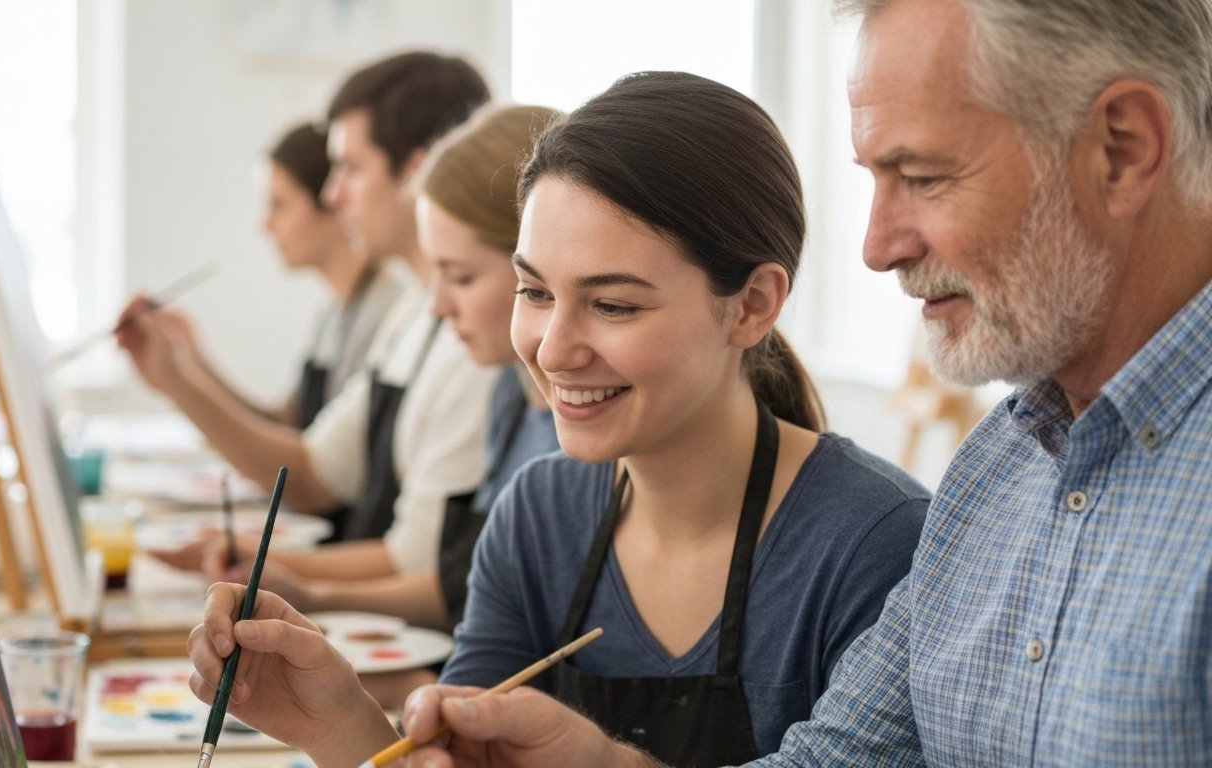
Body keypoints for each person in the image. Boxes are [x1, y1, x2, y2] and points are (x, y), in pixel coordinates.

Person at [391, 0, 1212, 765]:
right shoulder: (993, 478)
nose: (877, 247)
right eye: (873, 180)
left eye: (922, 176)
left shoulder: (890, 523)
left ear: (1123, 148)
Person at [186, 71, 930, 767]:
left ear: (754, 305)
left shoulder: (876, 544)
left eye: (613, 305)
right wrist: (341, 723)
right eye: (534, 292)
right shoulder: (539, 515)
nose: (553, 349)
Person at [200, 105, 564, 636]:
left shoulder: (508, 389)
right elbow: (472, 590)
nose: (333, 195)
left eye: (460, 277)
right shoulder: (507, 393)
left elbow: (428, 569)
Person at [145, 52, 499, 587]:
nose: (333, 196)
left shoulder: (477, 343)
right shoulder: (410, 316)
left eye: (351, 169)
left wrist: (266, 572)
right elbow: (313, 473)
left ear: (417, 172)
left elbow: (419, 562)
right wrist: (176, 375)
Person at [116, 122, 410, 486]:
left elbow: (311, 466)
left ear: (331, 205)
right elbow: (286, 423)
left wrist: (179, 381)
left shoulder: (384, 314)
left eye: (279, 205)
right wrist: (194, 363)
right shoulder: (333, 310)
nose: (265, 225)